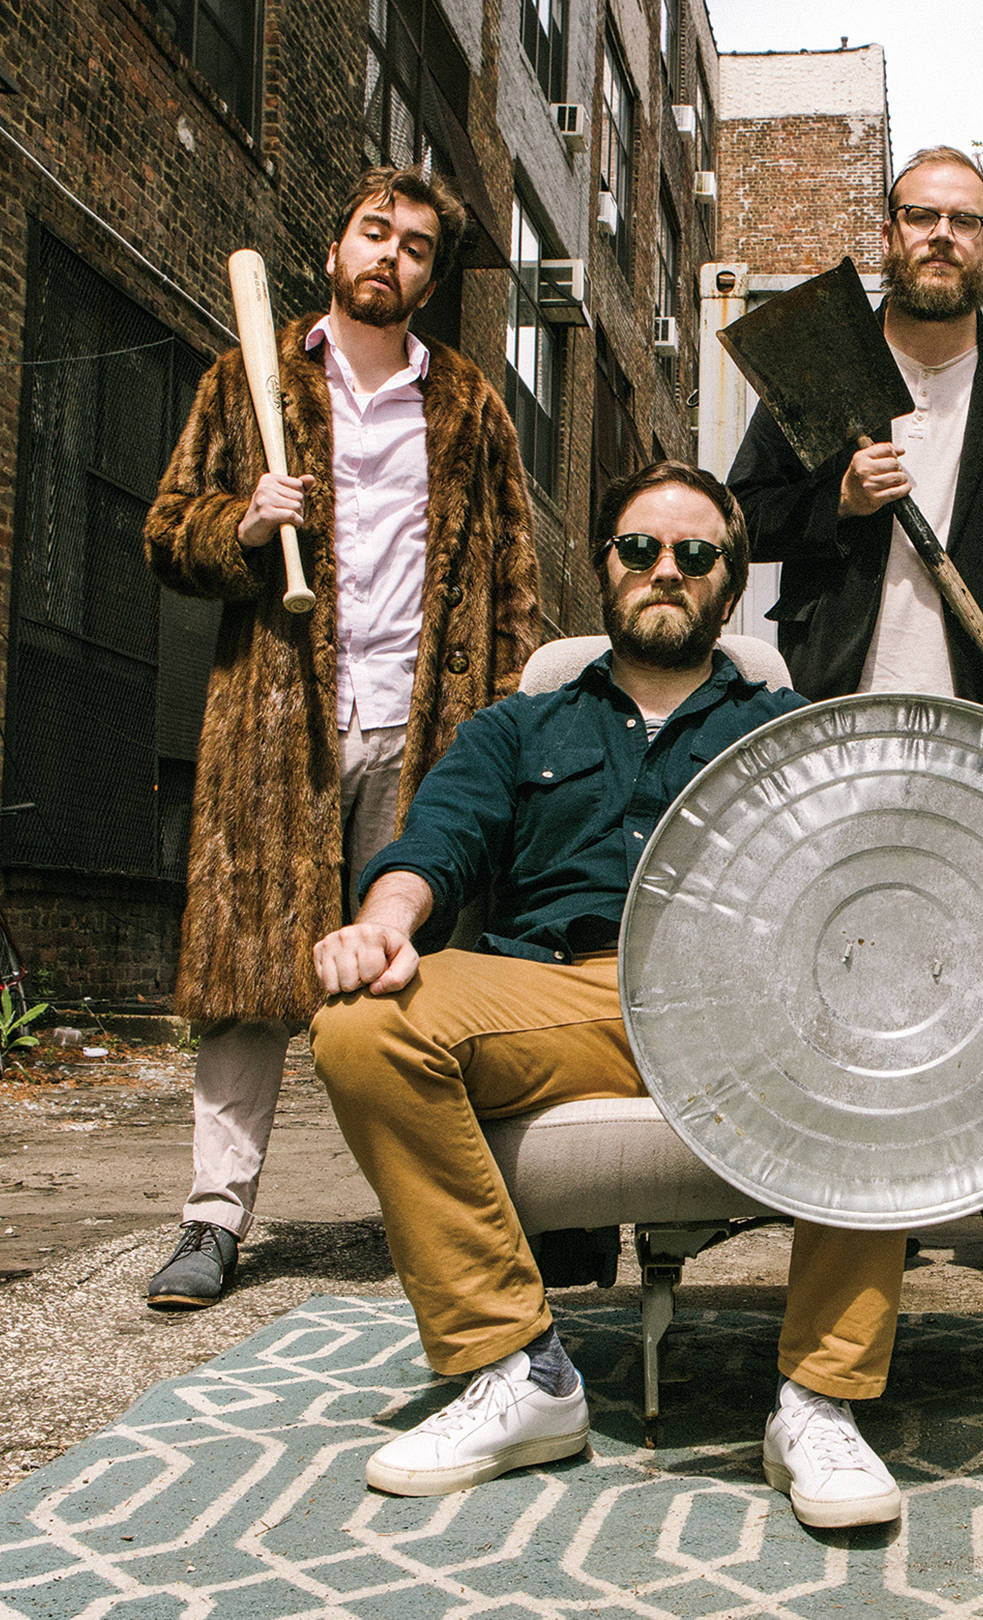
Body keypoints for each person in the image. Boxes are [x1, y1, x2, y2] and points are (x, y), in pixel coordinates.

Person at [304, 461, 910, 1528]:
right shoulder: (519, 727)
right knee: (359, 1028)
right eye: (640, 548)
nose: (665, 569)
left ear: (730, 583)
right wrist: (385, 923)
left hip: (736, 1008)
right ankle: (520, 1373)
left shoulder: (789, 728)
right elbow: (435, 843)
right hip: (553, 994)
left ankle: (820, 1401)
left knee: (878, 1033)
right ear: (604, 568)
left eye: (695, 553)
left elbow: (869, 877)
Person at [139, 166, 541, 1310]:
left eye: (415, 247)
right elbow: (165, 532)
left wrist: (505, 725)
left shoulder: (470, 406)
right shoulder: (247, 380)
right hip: (279, 723)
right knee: (247, 977)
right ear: (334, 251)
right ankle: (215, 1218)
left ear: (430, 277)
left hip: (427, 733)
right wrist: (241, 522)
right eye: (375, 233)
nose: (391, 257)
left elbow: (514, 577)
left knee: (412, 972)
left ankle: (426, 1212)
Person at [729, 144, 983, 1290]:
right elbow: (740, 519)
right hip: (844, 706)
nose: (942, 236)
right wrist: (838, 500)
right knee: (852, 952)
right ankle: (880, 1195)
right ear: (889, 231)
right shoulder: (824, 370)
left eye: (965, 220)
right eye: (921, 216)